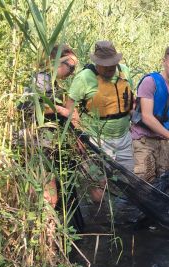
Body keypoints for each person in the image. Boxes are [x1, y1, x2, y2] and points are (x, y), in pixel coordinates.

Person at [64, 40, 135, 202]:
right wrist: (77, 137)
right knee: (99, 192)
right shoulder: (84, 78)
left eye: (112, 64)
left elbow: (130, 101)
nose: (110, 69)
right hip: (96, 141)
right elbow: (69, 109)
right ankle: (100, 221)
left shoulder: (125, 72)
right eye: (105, 65)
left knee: (129, 185)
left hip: (124, 138)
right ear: (96, 63)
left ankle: (122, 220)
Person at [18, 44, 79, 208]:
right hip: (36, 143)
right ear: (56, 61)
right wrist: (62, 110)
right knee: (48, 195)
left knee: (48, 193)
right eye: (71, 67)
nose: (72, 72)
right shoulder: (41, 79)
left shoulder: (53, 83)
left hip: (46, 144)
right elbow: (30, 104)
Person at [130, 44, 169, 182]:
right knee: (144, 181)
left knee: (165, 180)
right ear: (164, 61)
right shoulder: (150, 82)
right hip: (142, 139)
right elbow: (147, 117)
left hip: (162, 141)